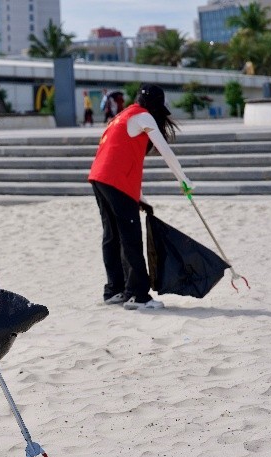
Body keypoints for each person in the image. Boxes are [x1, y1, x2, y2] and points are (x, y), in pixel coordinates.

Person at [88, 83, 193, 311]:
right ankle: (137, 295)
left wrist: (140, 197)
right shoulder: (144, 117)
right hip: (113, 180)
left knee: (112, 235)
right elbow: (166, 151)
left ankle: (114, 290)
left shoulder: (122, 116)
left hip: (99, 177)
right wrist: (184, 180)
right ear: (156, 106)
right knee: (130, 237)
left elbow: (122, 159)